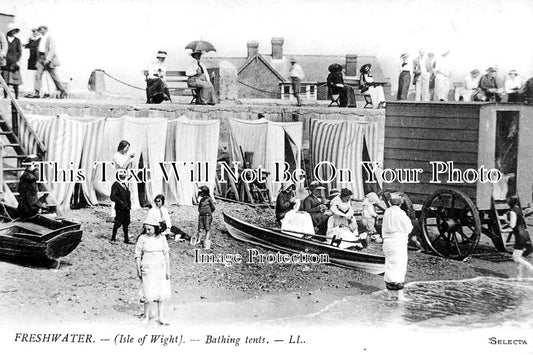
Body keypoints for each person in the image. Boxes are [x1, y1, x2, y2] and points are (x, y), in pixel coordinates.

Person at [135, 215, 171, 325]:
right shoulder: (142, 238)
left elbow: (166, 254)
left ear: (156, 227)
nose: (147, 231)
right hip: (147, 267)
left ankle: (160, 317)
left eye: (150, 229)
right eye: (146, 229)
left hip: (160, 267)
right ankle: (146, 316)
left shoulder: (161, 238)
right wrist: (138, 269)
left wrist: (168, 270)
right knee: (148, 292)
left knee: (161, 292)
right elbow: (137, 255)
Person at [381, 193, 413, 302]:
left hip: (387, 241)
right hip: (397, 241)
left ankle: (390, 294)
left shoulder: (387, 212)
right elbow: (409, 227)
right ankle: (400, 296)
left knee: (389, 265)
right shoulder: (401, 213)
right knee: (399, 267)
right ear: (400, 203)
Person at [27, 26, 68, 99]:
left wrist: (48, 59)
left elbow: (53, 49)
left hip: (47, 59)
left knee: (54, 76)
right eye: (39, 29)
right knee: (37, 75)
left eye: (41, 29)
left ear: (45, 29)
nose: (40, 30)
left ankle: (63, 91)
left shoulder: (50, 37)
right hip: (40, 58)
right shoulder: (41, 38)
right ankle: (37, 92)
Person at [507, 196, 533, 279]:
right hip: (525, 234)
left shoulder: (512, 212)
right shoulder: (518, 209)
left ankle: (531, 268)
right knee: (518, 257)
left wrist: (505, 220)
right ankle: (519, 277)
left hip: (519, 236)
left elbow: (512, 225)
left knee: (515, 258)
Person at [1, 24, 22, 99]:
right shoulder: (5, 39)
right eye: (12, 30)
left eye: (14, 31)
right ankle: (5, 96)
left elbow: (19, 52)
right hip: (6, 62)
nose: (13, 32)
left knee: (15, 81)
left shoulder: (17, 40)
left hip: (14, 62)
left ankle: (16, 97)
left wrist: (17, 61)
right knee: (5, 80)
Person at [110, 171, 132, 244]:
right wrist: (121, 202)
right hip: (120, 208)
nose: (123, 177)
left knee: (126, 223)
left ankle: (126, 239)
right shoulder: (116, 185)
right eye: (121, 176)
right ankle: (113, 237)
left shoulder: (124, 185)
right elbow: (113, 196)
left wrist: (128, 205)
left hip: (126, 208)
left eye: (124, 176)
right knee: (118, 223)